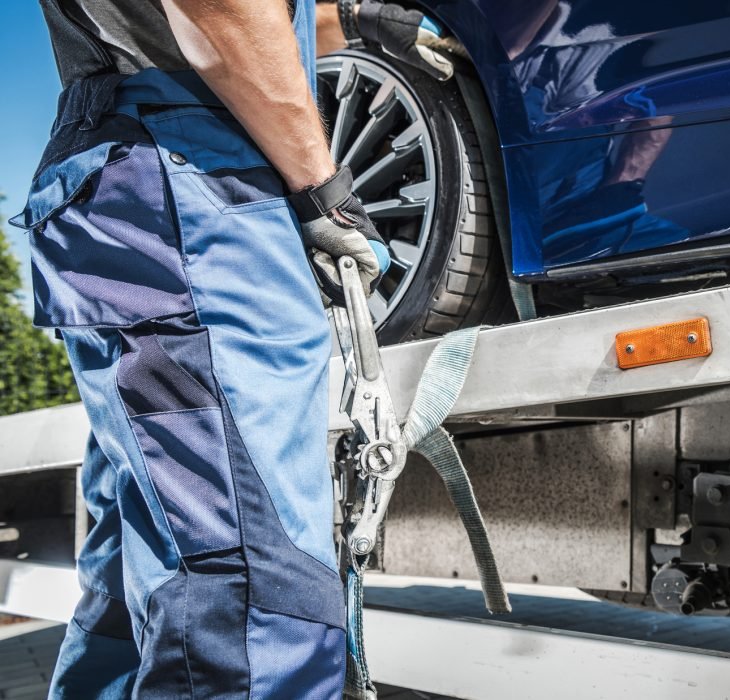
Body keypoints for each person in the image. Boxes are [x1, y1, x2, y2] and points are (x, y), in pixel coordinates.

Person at [10, 0, 452, 696]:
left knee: (145, 572)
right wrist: (323, 189)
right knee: (252, 591)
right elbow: (221, 10)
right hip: (191, 179)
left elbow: (269, 20)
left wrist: (362, 20)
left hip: (127, 172)